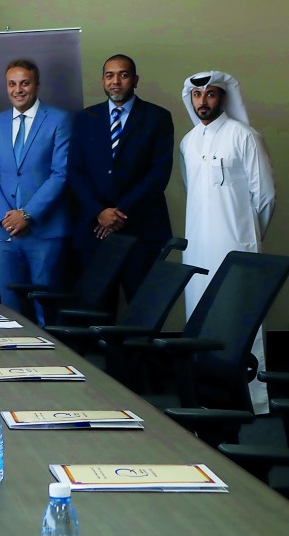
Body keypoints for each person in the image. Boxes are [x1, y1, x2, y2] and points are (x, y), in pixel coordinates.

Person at [180, 70, 276, 413]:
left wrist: (248, 238)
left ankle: (254, 400)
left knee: (239, 318)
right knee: (201, 317)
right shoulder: (188, 142)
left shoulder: (245, 136)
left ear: (224, 98)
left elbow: (264, 198)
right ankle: (206, 395)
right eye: (197, 95)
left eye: (210, 94)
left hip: (236, 246)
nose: (203, 101)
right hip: (198, 247)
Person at [68, 55, 174, 299]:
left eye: (123, 75)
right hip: (95, 230)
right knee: (96, 309)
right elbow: (75, 171)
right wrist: (99, 212)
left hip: (141, 230)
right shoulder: (85, 119)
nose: (116, 81)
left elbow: (158, 174)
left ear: (135, 80)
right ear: (103, 81)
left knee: (141, 306)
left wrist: (118, 213)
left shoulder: (157, 117)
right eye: (109, 75)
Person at [0, 59, 72, 325]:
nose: (18, 89)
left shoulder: (59, 120)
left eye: (24, 83)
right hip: (4, 231)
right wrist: (4, 217)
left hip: (44, 231)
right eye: (12, 84)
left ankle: (50, 363)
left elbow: (61, 173)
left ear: (37, 85)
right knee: (10, 309)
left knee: (46, 307)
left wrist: (27, 215)